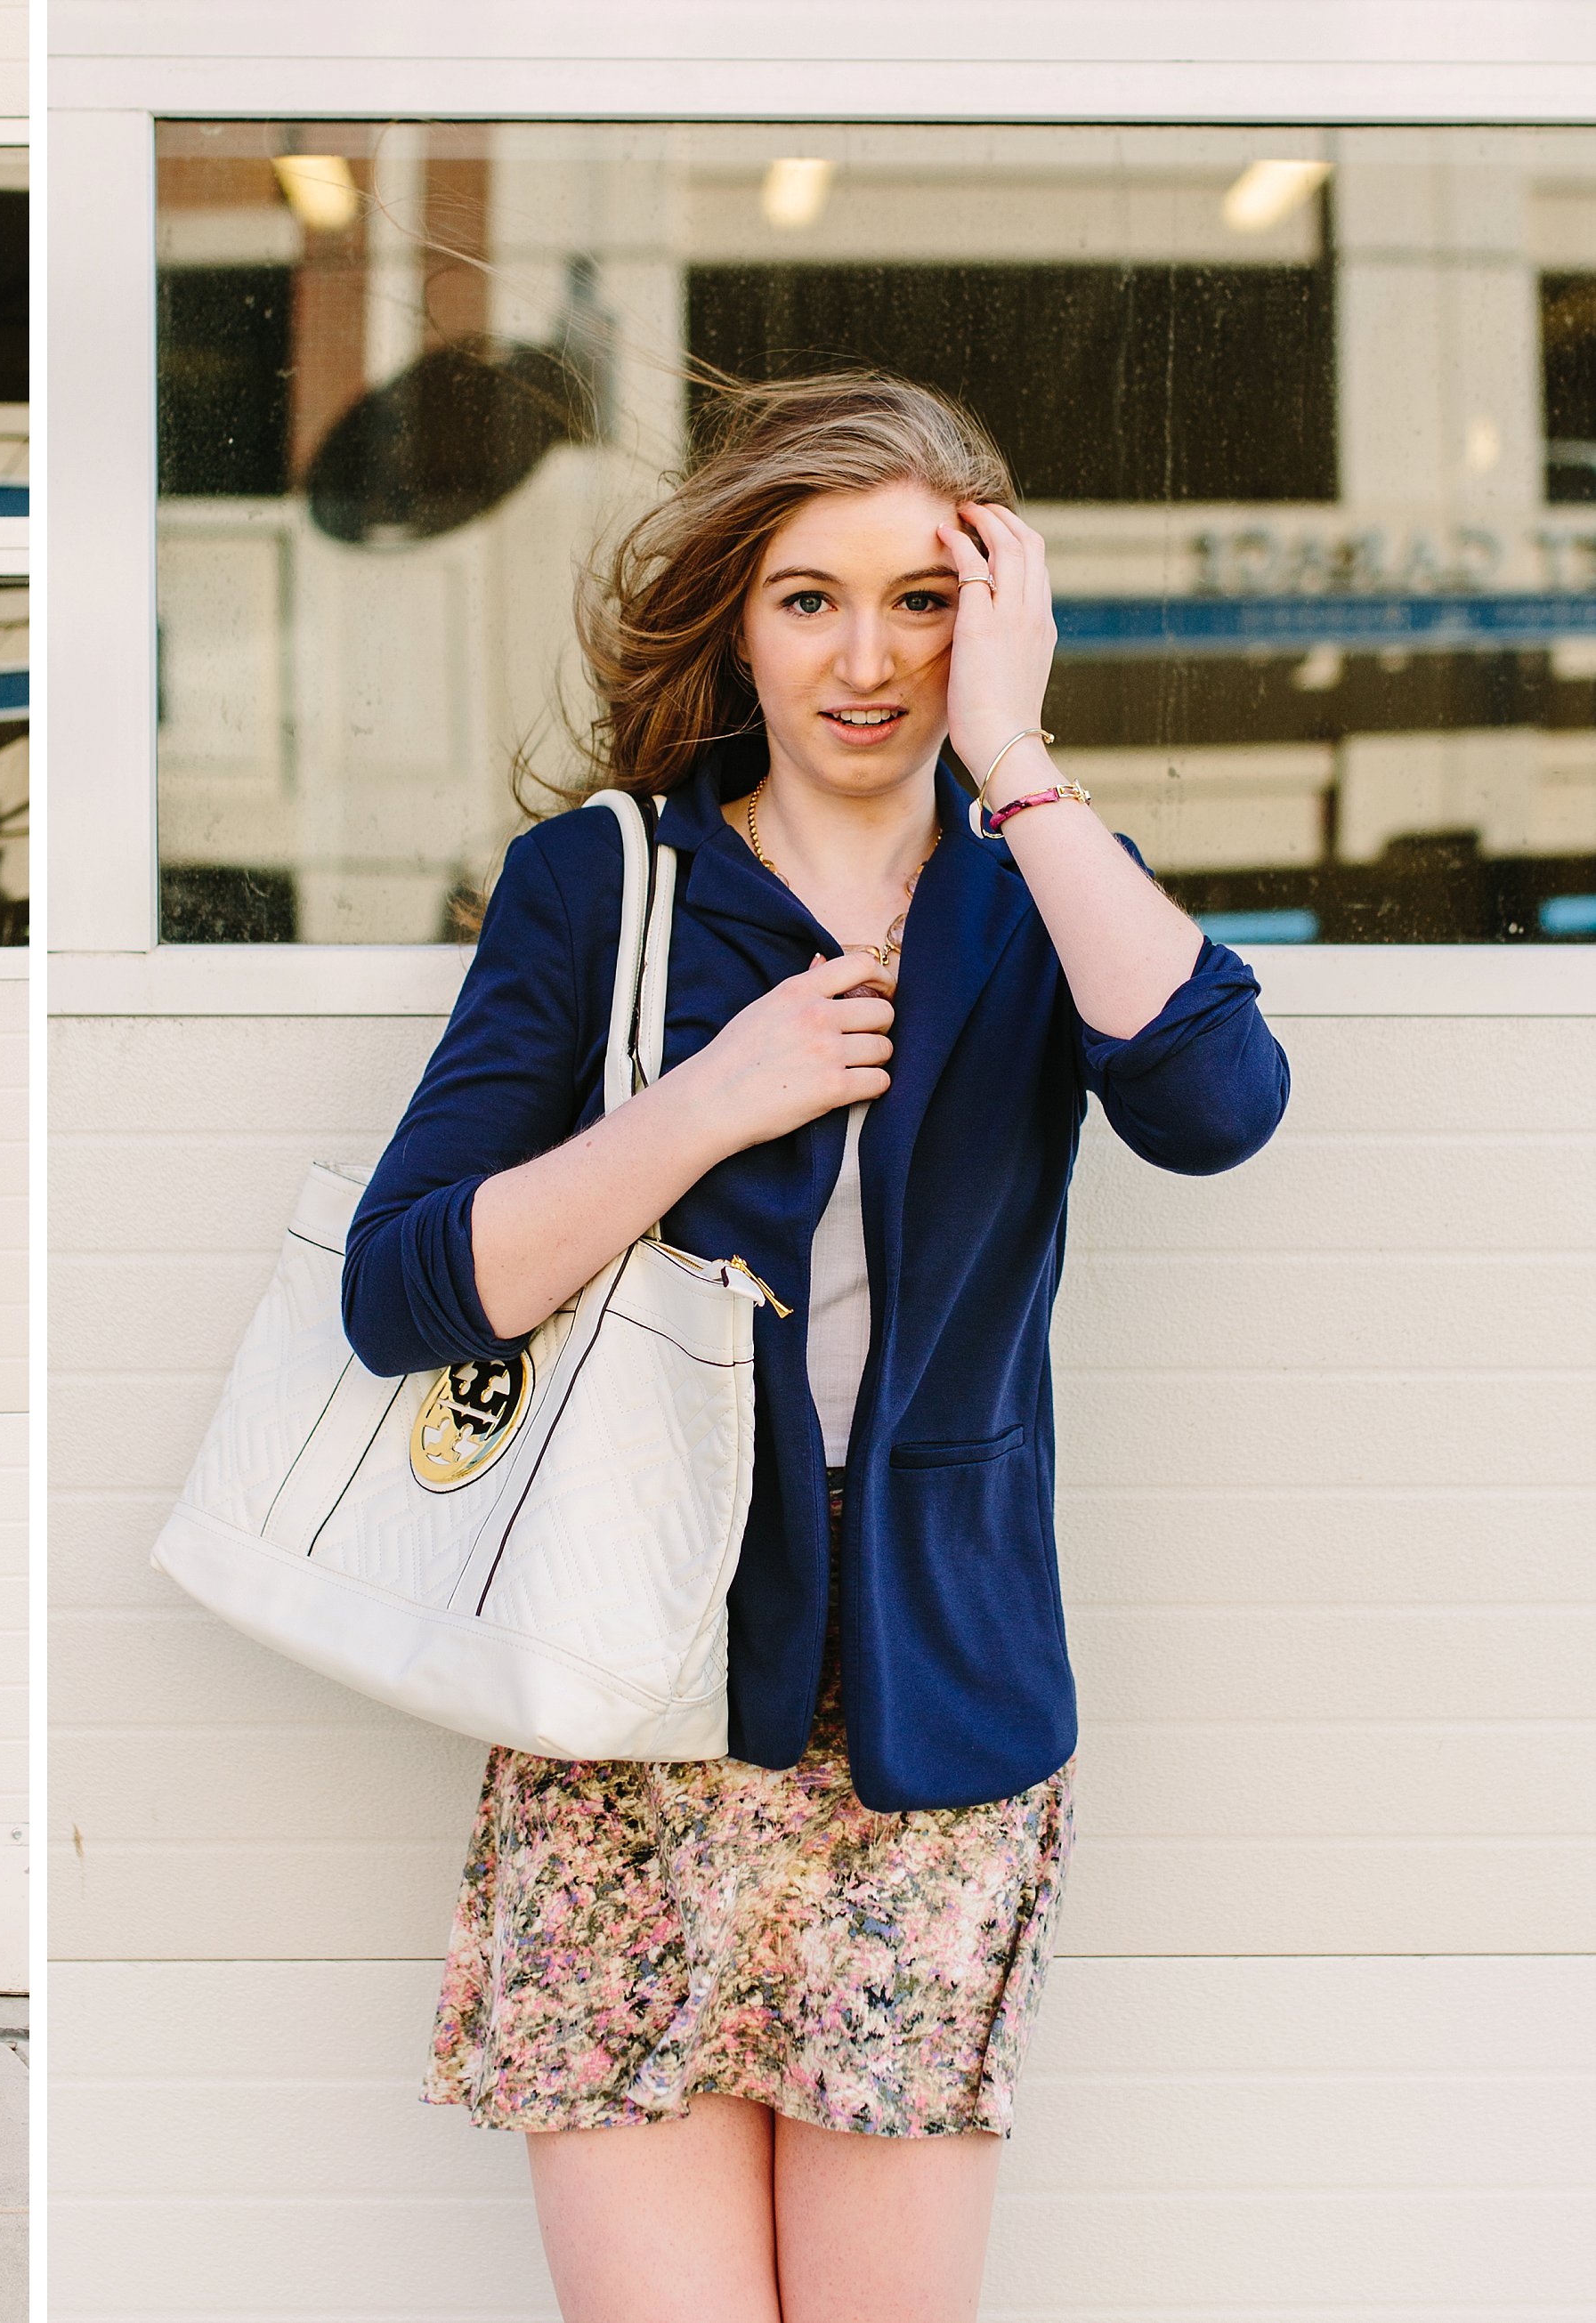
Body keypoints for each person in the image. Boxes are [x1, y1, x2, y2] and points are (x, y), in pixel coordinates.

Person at [342, 373, 1289, 2320]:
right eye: (806, 600)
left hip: (933, 1736)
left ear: (995, 614)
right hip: (635, 1724)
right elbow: (405, 1289)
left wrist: (1018, 766)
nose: (866, 659)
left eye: (924, 600)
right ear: (733, 620)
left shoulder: (1040, 892)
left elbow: (1218, 1105)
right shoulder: (602, 885)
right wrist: (705, 1103)